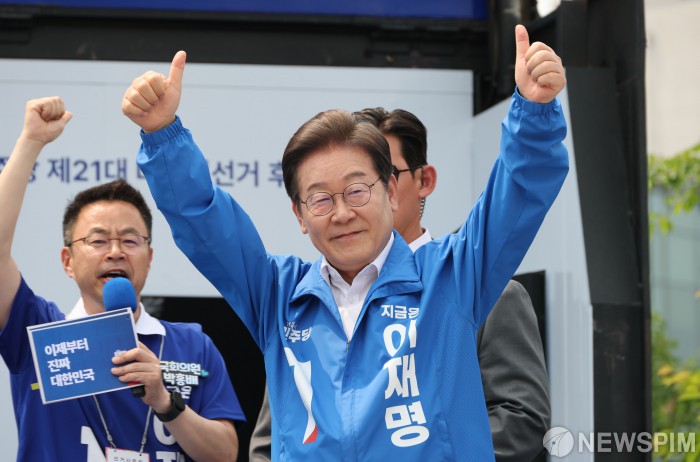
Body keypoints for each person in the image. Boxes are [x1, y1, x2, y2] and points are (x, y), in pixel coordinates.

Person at [122, 24, 568, 460]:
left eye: (357, 190)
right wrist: (163, 136)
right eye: (320, 199)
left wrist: (533, 112)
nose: (341, 213)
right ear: (299, 215)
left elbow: (517, 195)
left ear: (390, 193)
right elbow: (204, 221)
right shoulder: (279, 295)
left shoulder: (452, 276)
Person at [248, 105, 551, 461]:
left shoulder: (482, 287)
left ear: (406, 184)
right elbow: (273, 437)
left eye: (361, 184)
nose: (347, 207)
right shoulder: (306, 301)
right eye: (327, 194)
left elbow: (521, 418)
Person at [0, 97, 245, 461]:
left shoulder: (192, 345)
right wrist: (30, 142)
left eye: (131, 241)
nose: (116, 252)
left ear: (149, 257)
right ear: (67, 261)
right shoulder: (38, 332)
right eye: (98, 241)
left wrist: (165, 401)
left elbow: (224, 454)